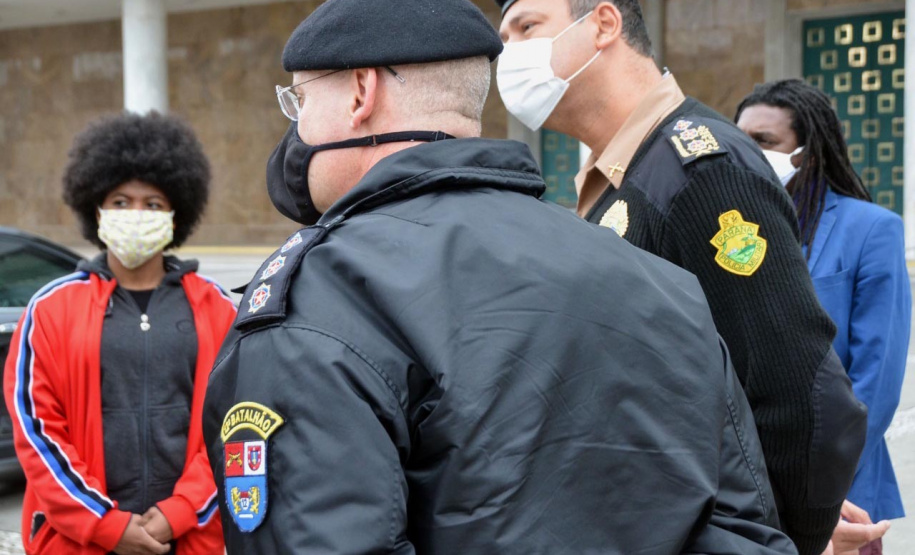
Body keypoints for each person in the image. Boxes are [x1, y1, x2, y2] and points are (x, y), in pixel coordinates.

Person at [202, 0, 799, 553]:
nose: (297, 131)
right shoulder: (658, 282)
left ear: (362, 91)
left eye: (301, 101)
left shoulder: (321, 297)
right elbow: (742, 527)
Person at [494, 1, 867, 553]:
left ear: (602, 24)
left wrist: (784, 533)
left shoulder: (700, 169)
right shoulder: (622, 175)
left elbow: (802, 392)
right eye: (503, 37)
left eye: (527, 27)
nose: (510, 55)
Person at [3, 113, 236, 555]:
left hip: (189, 540)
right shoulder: (50, 309)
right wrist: (104, 524)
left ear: (176, 213)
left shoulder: (218, 308)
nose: (135, 214)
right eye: (121, 201)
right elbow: (36, 431)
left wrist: (181, 512)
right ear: (96, 208)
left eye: (152, 204)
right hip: (77, 542)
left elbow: (235, 424)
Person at [737, 78, 910, 555]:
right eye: (741, 140)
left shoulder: (871, 229)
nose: (749, 153)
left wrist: (819, 488)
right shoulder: (731, 229)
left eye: (765, 142)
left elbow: (877, 379)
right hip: (745, 490)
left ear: (806, 153)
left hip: (838, 497)